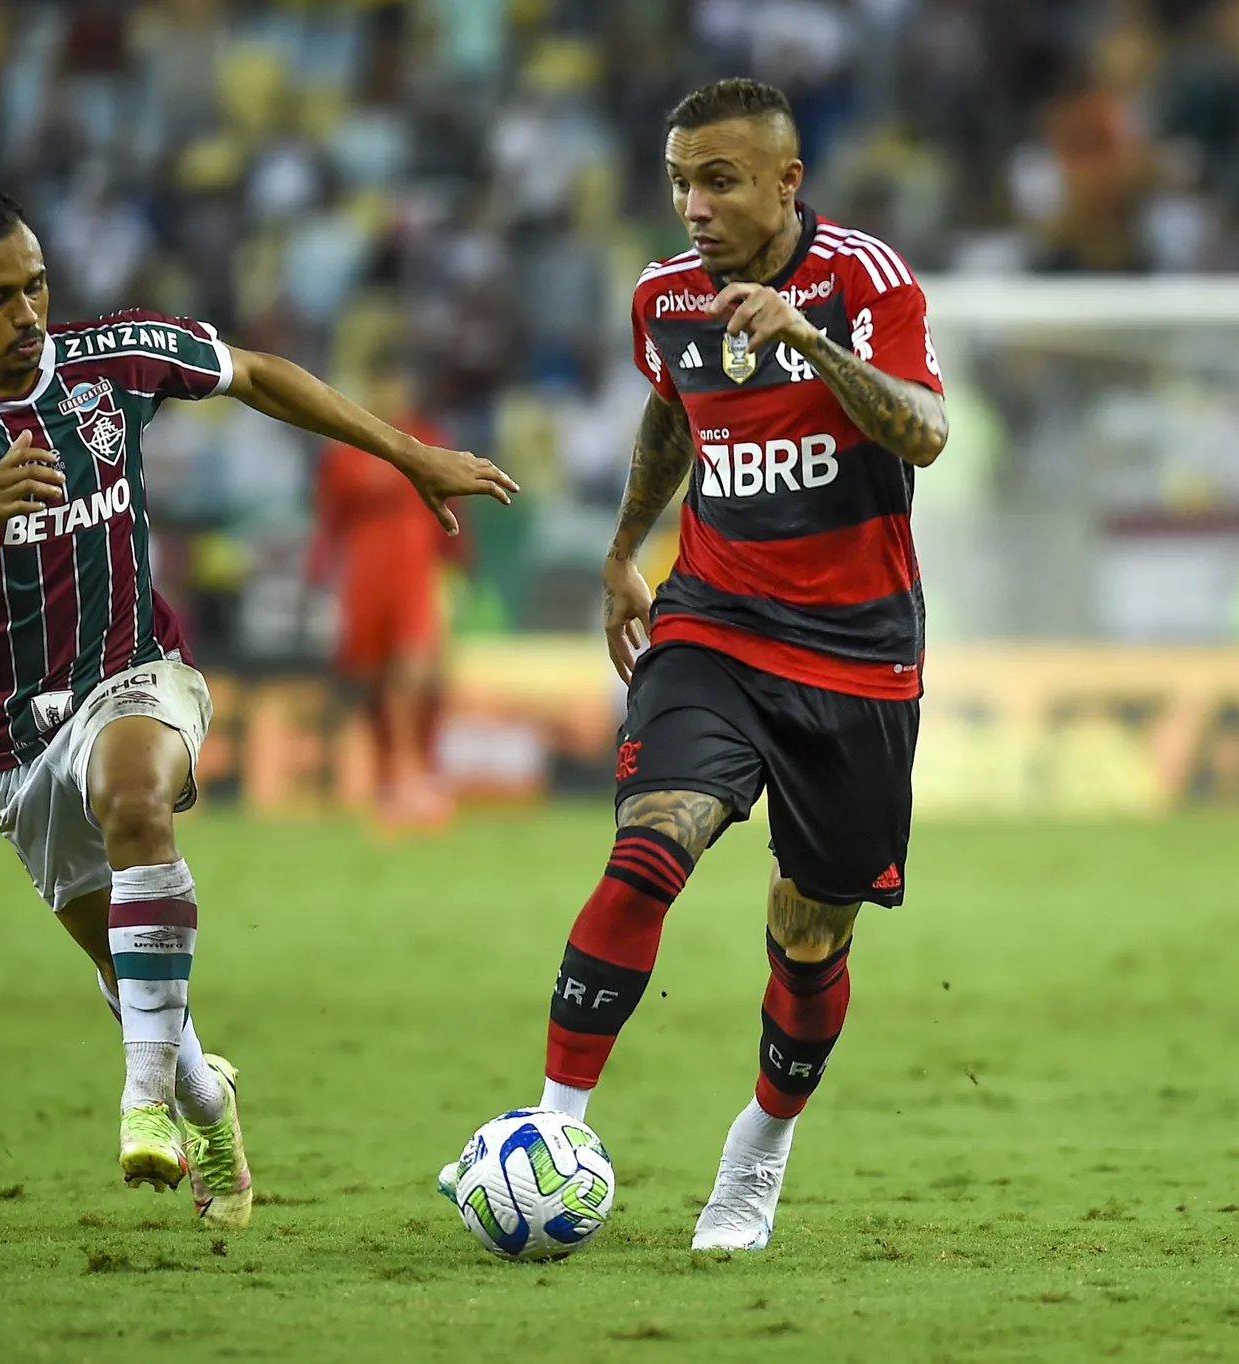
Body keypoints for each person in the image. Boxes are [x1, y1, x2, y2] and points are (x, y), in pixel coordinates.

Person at [0, 187, 516, 1227]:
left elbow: (255, 372)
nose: (27, 313)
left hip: (135, 672)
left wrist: (405, 451)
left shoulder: (108, 358)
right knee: (137, 984)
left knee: (135, 796)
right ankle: (202, 1097)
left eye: (36, 285)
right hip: (12, 741)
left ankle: (140, 1100)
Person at [440, 79, 947, 1250]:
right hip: (711, 621)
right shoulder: (664, 297)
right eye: (678, 180)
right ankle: (553, 1127)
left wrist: (808, 339)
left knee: (809, 933)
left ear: (785, 181)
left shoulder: (864, 280)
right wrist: (625, 549)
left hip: (858, 659)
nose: (692, 205)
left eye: (717, 180)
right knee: (649, 842)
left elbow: (921, 430)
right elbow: (673, 410)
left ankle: (757, 1150)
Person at [307, 352, 463, 830]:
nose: (389, 398)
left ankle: (419, 777)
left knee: (416, 678)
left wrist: (458, 576)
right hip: (365, 580)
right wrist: (318, 586)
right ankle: (389, 783)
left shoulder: (430, 444)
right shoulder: (345, 456)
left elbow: (458, 517)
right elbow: (329, 525)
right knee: (374, 685)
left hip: (416, 575)